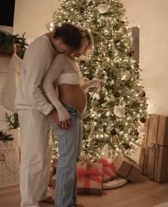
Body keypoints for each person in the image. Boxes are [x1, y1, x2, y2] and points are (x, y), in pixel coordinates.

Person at [15, 23, 83, 207]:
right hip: (31, 107)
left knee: (44, 154)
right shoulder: (40, 49)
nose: (68, 54)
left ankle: (40, 193)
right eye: (67, 49)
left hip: (41, 107)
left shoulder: (52, 47)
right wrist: (53, 111)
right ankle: (28, 202)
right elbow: (32, 89)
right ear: (57, 38)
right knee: (32, 156)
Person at [43, 28, 102, 207]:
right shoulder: (61, 58)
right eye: (83, 47)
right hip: (66, 114)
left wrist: (91, 84)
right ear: (77, 40)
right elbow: (46, 84)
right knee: (67, 162)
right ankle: (63, 204)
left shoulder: (72, 61)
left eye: (85, 48)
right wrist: (59, 109)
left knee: (73, 159)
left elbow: (73, 89)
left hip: (76, 116)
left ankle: (70, 203)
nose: (83, 51)